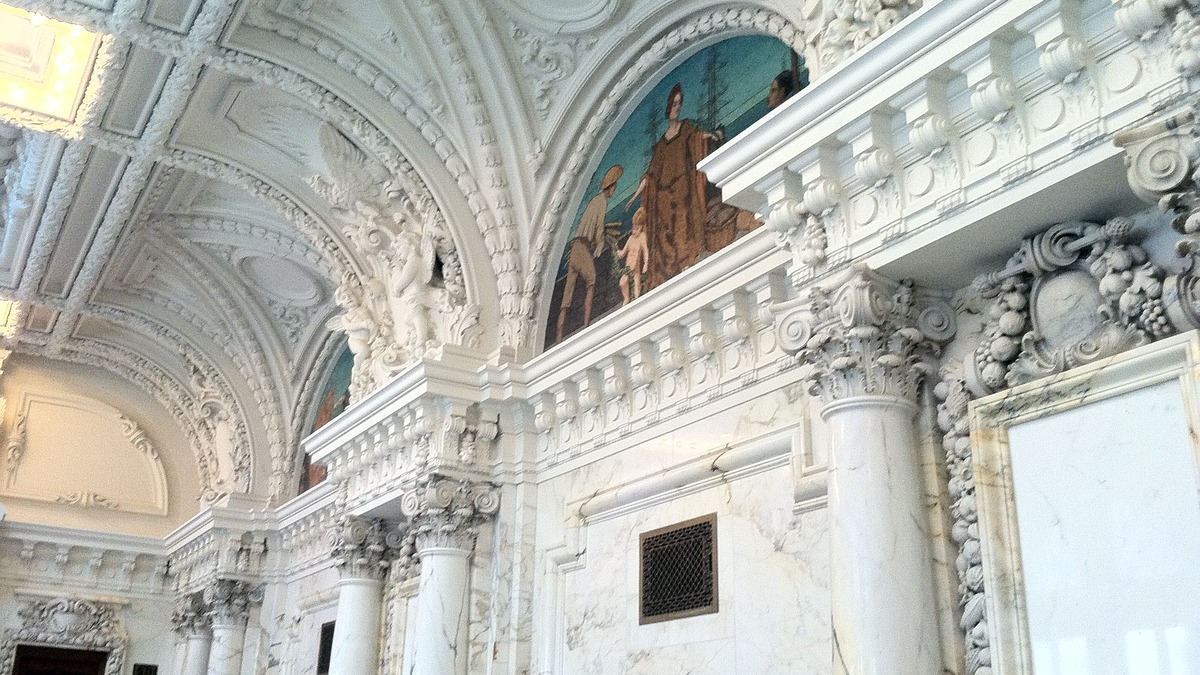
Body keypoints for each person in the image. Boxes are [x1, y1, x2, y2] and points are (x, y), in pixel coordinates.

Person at [626, 83, 724, 290]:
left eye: (680, 103)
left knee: (684, 226)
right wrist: (635, 197)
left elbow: (697, 136)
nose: (678, 107)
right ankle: (676, 271)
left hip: (682, 189)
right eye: (675, 104)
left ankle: (687, 263)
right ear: (668, 107)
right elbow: (651, 175)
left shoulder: (686, 127)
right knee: (666, 234)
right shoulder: (661, 144)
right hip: (663, 197)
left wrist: (709, 136)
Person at [557, 165, 623, 342]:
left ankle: (558, 338)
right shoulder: (602, 202)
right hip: (583, 248)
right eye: (615, 185)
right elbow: (599, 228)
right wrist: (600, 249)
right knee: (592, 280)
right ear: (612, 186)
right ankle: (586, 326)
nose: (616, 188)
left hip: (574, 249)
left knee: (566, 297)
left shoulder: (594, 201)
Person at [617, 207, 650, 305]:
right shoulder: (631, 238)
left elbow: (645, 251)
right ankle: (626, 298)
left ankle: (636, 301)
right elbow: (623, 253)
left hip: (636, 271)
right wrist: (617, 252)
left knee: (636, 290)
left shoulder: (642, 237)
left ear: (642, 227)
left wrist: (645, 264)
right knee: (622, 282)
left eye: (637, 228)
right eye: (633, 227)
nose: (634, 231)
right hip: (628, 268)